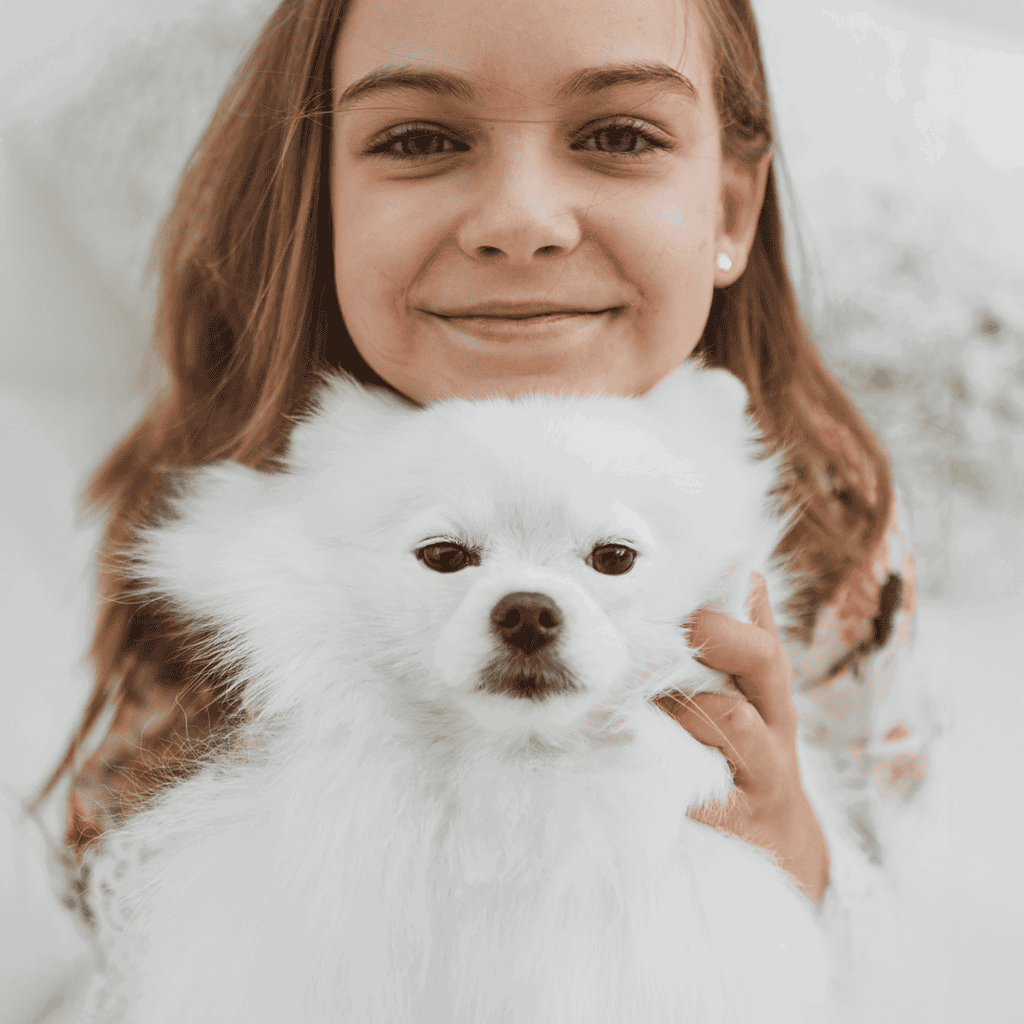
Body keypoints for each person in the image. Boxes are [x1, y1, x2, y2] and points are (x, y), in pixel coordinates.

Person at [34, 0, 932, 953]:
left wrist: (798, 848)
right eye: (421, 138)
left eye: (618, 134)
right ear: (320, 201)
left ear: (730, 210)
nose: (519, 223)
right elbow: (99, 870)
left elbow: (888, 885)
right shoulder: (228, 485)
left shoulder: (822, 515)